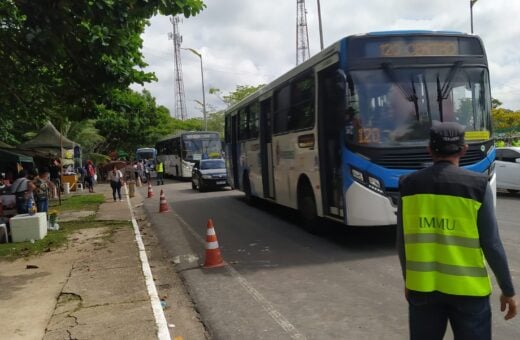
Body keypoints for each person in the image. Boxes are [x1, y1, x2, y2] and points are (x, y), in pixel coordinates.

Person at [397, 122, 517, 340]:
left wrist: (409, 280)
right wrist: (508, 290)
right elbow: (492, 244)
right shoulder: (477, 186)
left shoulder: (408, 184)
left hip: (422, 288)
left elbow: (402, 242)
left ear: (429, 150)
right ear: (463, 149)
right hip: (469, 291)